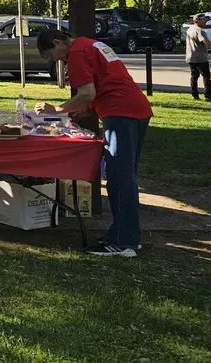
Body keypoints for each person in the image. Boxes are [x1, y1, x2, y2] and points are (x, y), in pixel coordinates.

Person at [35, 28, 153, 257]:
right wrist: (85, 109)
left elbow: (87, 92)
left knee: (119, 178)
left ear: (58, 43)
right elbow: (105, 83)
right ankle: (125, 234)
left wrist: (58, 110)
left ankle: (124, 241)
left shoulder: (77, 54)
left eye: (51, 55)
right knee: (126, 177)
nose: (56, 61)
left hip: (120, 112)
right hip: (136, 109)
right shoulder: (90, 44)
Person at [185, 14, 211, 102]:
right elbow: (205, 41)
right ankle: (208, 96)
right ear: (197, 21)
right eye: (204, 20)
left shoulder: (190, 29)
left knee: (194, 76)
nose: (205, 22)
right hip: (200, 57)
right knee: (206, 77)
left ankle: (194, 95)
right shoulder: (199, 31)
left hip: (191, 56)